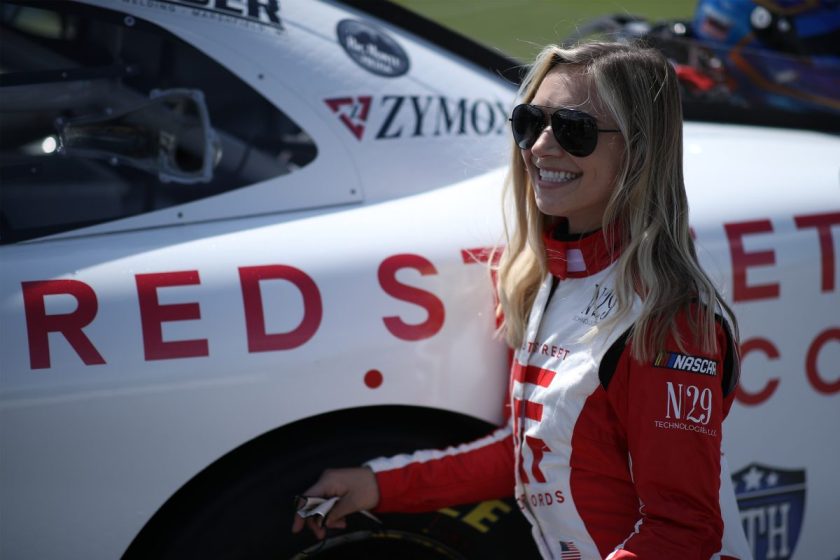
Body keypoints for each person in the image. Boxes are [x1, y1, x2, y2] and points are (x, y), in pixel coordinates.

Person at [292, 41, 752, 559]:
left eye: (574, 130)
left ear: (640, 150)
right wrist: (378, 485)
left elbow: (683, 530)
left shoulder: (670, 320)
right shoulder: (543, 277)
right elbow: (533, 451)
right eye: (530, 123)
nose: (540, 147)